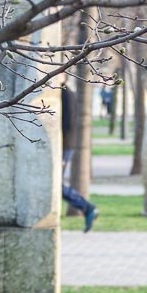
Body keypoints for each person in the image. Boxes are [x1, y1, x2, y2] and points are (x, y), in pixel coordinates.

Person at [60, 85, 98, 233]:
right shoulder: (62, 93)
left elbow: (68, 124)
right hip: (64, 146)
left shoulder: (66, 94)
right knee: (56, 185)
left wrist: (62, 152)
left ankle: (87, 207)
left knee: (56, 185)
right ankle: (86, 207)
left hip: (64, 146)